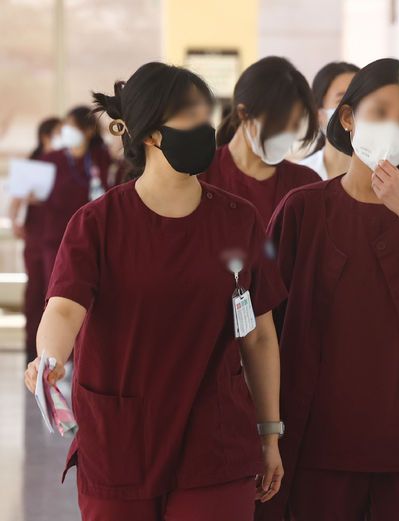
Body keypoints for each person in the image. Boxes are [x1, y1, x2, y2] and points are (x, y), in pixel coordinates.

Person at [23, 62, 287, 521]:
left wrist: (269, 433)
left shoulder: (238, 220)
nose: (203, 126)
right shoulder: (97, 224)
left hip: (215, 443)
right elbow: (64, 308)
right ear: (149, 133)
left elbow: (259, 336)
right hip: (122, 438)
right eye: (189, 114)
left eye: (205, 114)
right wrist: (50, 357)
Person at [255, 58, 399, 521]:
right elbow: (264, 328)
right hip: (318, 446)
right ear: (347, 117)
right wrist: (267, 431)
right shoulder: (303, 210)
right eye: (380, 112)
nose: (393, 128)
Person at [203, 57, 320, 224]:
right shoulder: (200, 177)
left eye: (295, 124)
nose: (287, 134)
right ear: (243, 114)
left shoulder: (306, 184)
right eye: (279, 124)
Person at [37, 106, 114, 284]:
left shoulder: (102, 157)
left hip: (91, 235)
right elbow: (37, 191)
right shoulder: (52, 159)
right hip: (56, 236)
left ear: (88, 130)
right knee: (56, 286)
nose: (66, 130)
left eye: (72, 126)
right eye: (66, 125)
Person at [7, 117, 61, 363]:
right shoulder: (33, 163)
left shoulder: (68, 164)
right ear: (45, 136)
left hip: (57, 235)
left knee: (54, 290)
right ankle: (32, 349)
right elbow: (15, 198)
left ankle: (54, 351)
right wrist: (15, 221)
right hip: (37, 234)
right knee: (36, 291)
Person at [297, 61, 359, 179]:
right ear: (318, 114)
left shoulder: (386, 178)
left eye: (360, 99)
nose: (352, 109)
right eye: (341, 100)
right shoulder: (299, 177)